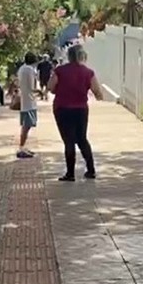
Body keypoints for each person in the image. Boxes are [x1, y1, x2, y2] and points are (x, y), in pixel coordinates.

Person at [47, 45, 103, 182]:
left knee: (69, 141)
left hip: (62, 109)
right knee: (82, 139)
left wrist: (59, 91)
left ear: (69, 56)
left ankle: (70, 173)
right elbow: (97, 92)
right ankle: (91, 169)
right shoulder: (88, 72)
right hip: (81, 109)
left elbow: (50, 87)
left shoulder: (60, 71)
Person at [16, 52, 40, 159]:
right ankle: (21, 147)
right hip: (29, 101)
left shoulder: (21, 69)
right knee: (27, 126)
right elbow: (32, 87)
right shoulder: (30, 70)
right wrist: (40, 91)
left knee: (25, 125)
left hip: (24, 100)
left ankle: (23, 147)